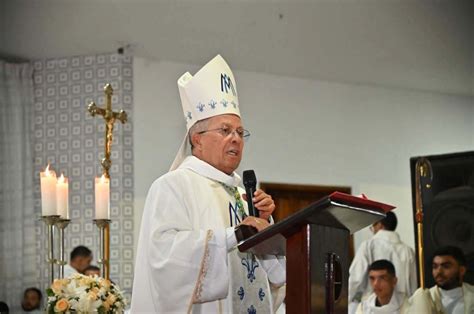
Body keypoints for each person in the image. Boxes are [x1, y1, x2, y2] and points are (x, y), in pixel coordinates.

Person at [131, 55, 286, 313]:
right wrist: (233, 235)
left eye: (240, 132)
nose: (236, 139)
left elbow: (276, 276)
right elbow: (164, 259)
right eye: (225, 131)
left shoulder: (241, 192)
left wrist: (266, 224)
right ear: (197, 139)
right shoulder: (173, 185)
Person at [349, 212, 416, 312]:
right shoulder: (408, 250)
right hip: (401, 306)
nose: (373, 230)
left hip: (372, 306)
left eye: (373, 226)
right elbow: (413, 284)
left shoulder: (368, 245)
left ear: (380, 224)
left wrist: (347, 300)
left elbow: (356, 279)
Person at [428, 246, 474, 314]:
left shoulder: (472, 294)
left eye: (446, 266)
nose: (439, 272)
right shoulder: (427, 297)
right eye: (435, 267)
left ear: (462, 270)